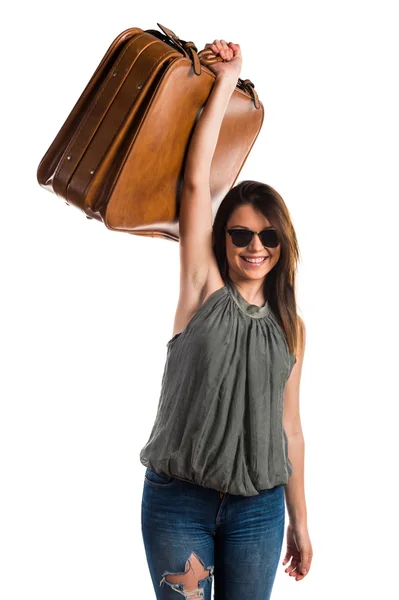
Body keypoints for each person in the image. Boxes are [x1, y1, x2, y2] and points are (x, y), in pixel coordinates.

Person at [140, 38, 313, 599]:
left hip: (259, 511)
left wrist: (301, 520)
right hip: (178, 501)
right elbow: (195, 185)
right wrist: (225, 83)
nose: (254, 245)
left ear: (282, 244)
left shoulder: (290, 326)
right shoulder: (202, 288)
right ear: (222, 239)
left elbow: (291, 430)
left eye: (267, 235)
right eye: (240, 233)